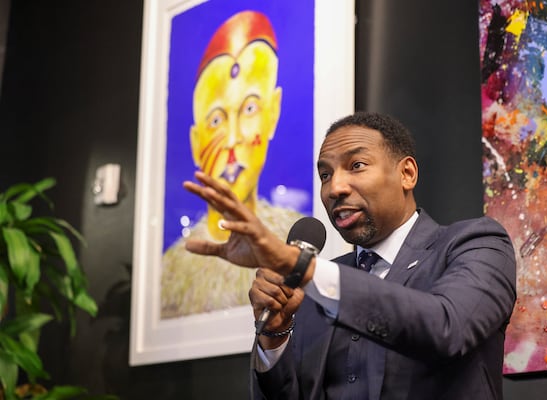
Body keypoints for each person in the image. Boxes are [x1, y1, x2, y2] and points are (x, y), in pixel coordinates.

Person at [183, 111, 517, 399]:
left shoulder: (476, 243)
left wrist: (303, 268)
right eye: (325, 174)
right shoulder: (313, 287)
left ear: (407, 174)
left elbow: (448, 327)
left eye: (356, 165)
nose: (334, 188)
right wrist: (275, 333)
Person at [161, 11, 303, 317]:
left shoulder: (297, 238)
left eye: (250, 108)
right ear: (197, 142)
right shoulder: (171, 272)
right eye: (216, 119)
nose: (232, 139)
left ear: (272, 114)